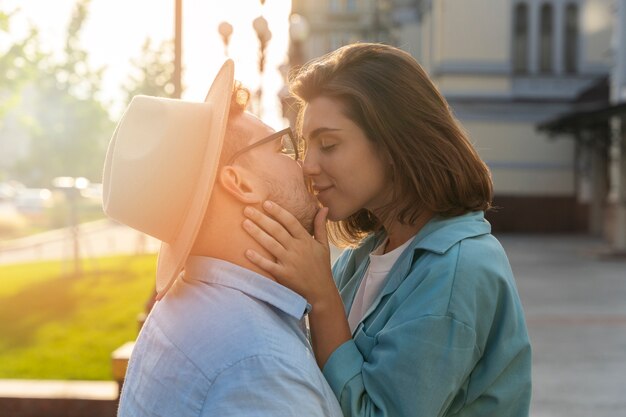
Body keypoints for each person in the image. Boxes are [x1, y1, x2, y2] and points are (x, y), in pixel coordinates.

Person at [242, 43, 532, 417]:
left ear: (394, 144)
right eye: (304, 147)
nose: (308, 165)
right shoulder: (366, 255)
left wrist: (323, 298)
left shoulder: (458, 271)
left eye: (328, 144)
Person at [102, 60, 342, 417]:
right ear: (239, 183)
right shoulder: (261, 366)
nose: (304, 166)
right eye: (281, 148)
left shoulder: (184, 311)